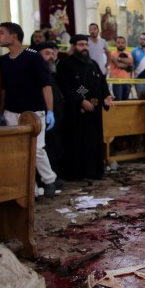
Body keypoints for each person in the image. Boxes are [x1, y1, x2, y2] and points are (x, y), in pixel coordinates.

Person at [0, 22, 58, 198]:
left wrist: (50, 111)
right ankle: (29, 187)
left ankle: (49, 180)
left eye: (2, 33)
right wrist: (2, 111)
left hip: (33, 110)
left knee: (37, 149)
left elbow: (45, 85)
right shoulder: (3, 61)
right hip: (11, 110)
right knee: (19, 152)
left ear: (13, 36)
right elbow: (4, 88)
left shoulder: (32, 56)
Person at [56, 34, 113, 180]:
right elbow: (67, 87)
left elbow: (101, 82)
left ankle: (94, 171)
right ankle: (78, 173)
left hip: (94, 111)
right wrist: (82, 100)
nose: (84, 48)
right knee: (77, 141)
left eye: (86, 45)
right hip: (76, 111)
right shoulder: (65, 64)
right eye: (81, 45)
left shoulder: (92, 63)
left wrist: (106, 95)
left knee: (93, 140)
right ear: (73, 46)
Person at [36, 40, 65, 176]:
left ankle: (54, 174)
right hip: (42, 115)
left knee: (55, 145)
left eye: (53, 54)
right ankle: (47, 178)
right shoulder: (36, 73)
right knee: (45, 147)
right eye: (47, 53)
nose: (51, 57)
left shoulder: (53, 72)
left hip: (55, 117)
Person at [108, 36, 134, 101]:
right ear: (116, 44)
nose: (121, 44)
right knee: (118, 100)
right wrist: (127, 64)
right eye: (118, 43)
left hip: (127, 81)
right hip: (117, 81)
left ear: (125, 44)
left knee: (126, 101)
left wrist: (119, 59)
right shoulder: (112, 53)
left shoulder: (128, 53)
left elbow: (131, 61)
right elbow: (118, 65)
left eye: (122, 43)